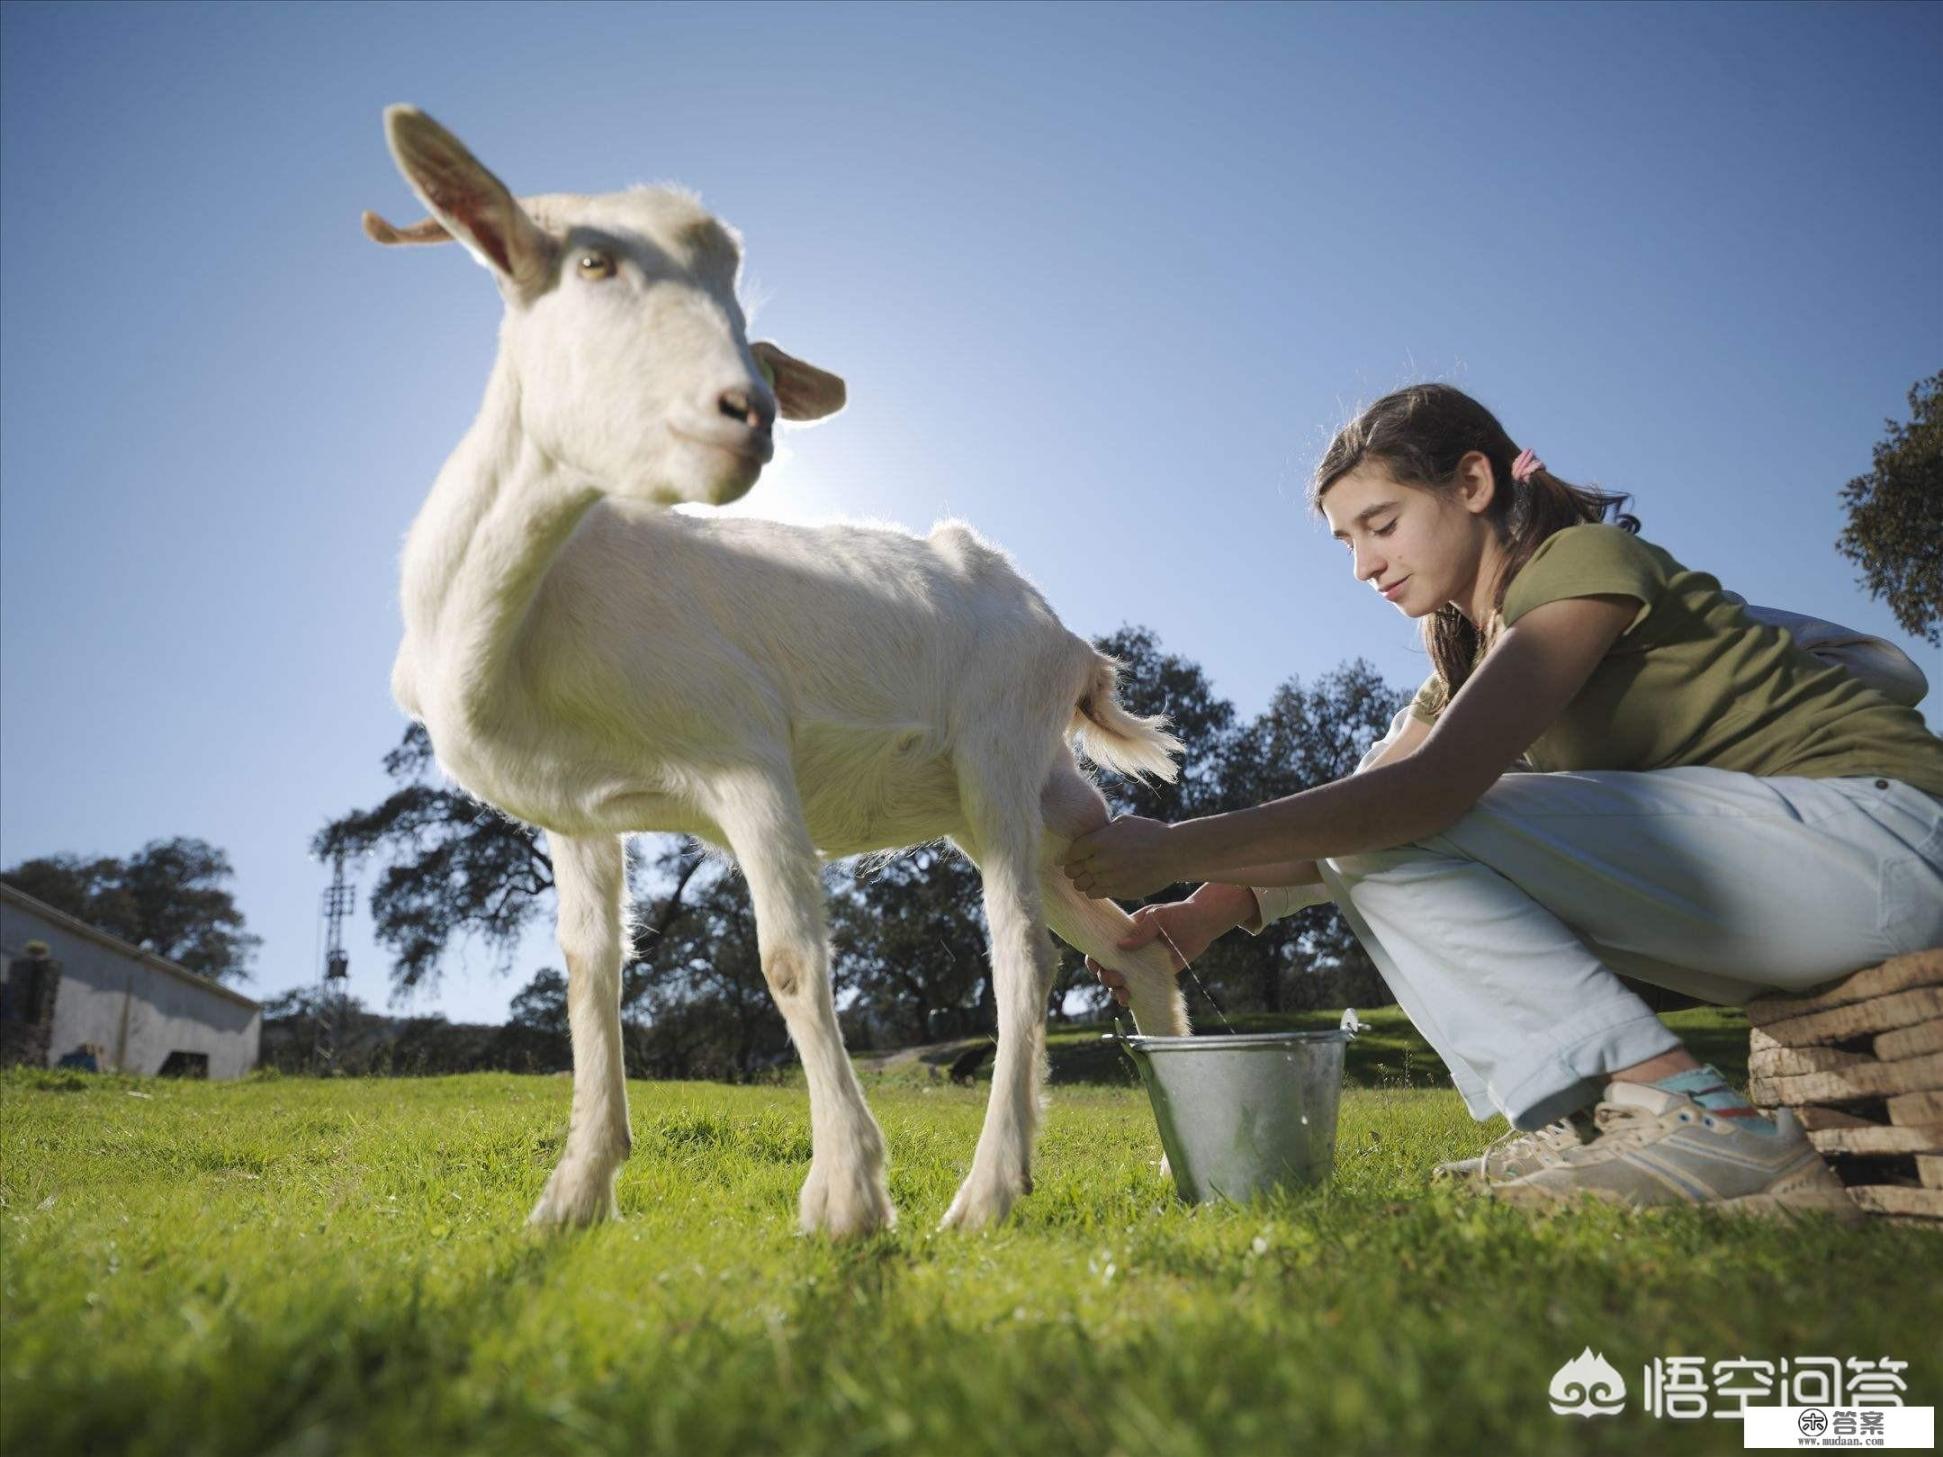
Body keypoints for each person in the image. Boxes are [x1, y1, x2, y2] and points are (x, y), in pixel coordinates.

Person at [1061, 383, 1943, 1222]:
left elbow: (1422, 798)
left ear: (1473, 483)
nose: (1365, 564)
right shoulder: (1469, 668)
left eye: (1382, 524)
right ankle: (1608, 1118)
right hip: (1795, 890)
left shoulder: (1584, 564)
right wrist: (1204, 913)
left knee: (1405, 813)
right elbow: (1363, 818)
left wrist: (1175, 843)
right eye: (1346, 542)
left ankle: (1692, 1115)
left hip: (1888, 842)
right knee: (1380, 817)